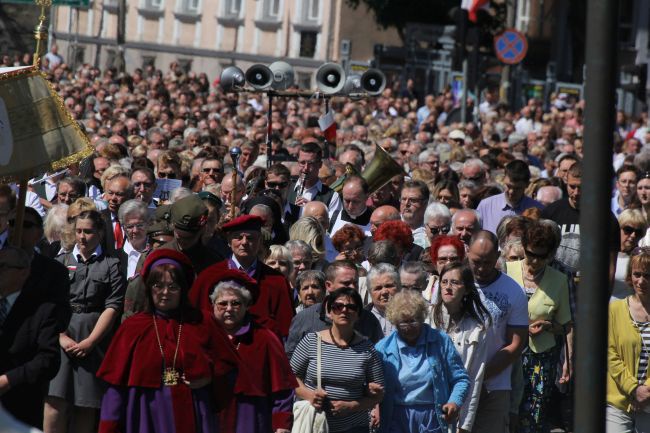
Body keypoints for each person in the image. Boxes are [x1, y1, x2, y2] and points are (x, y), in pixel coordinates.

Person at [96, 249, 242, 433]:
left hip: (195, 411)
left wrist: (209, 378)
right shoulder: (132, 328)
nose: (165, 293)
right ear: (149, 288)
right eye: (158, 285)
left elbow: (229, 369)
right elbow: (114, 387)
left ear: (183, 289)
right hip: (146, 414)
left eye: (173, 287)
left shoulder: (202, 321)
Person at [44, 210, 126, 433]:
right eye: (79, 231)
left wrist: (91, 341)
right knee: (54, 400)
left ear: (100, 232)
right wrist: (60, 336)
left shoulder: (111, 265)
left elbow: (113, 306)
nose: (82, 237)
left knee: (86, 403)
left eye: (88, 231)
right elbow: (50, 303)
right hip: (62, 332)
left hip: (93, 334)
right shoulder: (60, 261)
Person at [504, 220, 573, 433]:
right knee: (505, 414)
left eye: (541, 256)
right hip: (508, 353)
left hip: (541, 360)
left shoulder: (560, 280)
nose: (534, 260)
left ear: (551, 254)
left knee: (533, 420)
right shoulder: (507, 269)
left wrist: (567, 362)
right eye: (530, 253)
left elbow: (567, 325)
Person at [210, 271, 298, 433]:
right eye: (222, 304)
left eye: (236, 303)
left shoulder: (265, 338)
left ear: (246, 306)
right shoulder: (203, 336)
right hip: (212, 417)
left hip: (251, 417)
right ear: (213, 305)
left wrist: (281, 424)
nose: (229, 309)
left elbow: (282, 388)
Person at [290, 288, 385, 433]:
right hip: (314, 424)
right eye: (338, 306)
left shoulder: (367, 348)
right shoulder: (311, 341)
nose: (344, 311)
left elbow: (378, 394)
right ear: (330, 311)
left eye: (351, 307)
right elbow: (290, 377)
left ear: (358, 314)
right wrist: (309, 395)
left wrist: (352, 406)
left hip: (354, 427)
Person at [375, 289, 470, 433]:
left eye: (413, 321)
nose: (409, 327)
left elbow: (461, 379)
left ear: (422, 317)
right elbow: (375, 386)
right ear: (394, 322)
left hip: (432, 416)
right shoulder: (382, 348)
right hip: (395, 416)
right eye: (403, 323)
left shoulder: (441, 341)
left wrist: (454, 402)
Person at [191, 215, 295, 339]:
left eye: (250, 238)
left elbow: (287, 330)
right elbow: (195, 323)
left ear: (260, 241)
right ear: (229, 242)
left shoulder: (276, 281)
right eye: (238, 237)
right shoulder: (209, 277)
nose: (244, 242)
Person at [467, 230, 528, 433]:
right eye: (476, 262)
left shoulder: (512, 290)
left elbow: (517, 343)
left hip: (494, 384)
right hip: (456, 381)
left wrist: (482, 375)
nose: (482, 268)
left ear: (497, 256)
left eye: (487, 262)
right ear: (467, 252)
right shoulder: (455, 283)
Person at [0, 247, 62, 429]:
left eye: (3, 267)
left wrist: (8, 380)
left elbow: (47, 360)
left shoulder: (42, 311)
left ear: (23, 273)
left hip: (20, 405)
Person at [431, 263, 491, 433]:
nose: (448, 288)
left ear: (466, 289)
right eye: (444, 282)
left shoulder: (477, 329)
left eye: (455, 283)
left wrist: (465, 424)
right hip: (426, 408)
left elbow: (474, 378)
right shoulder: (426, 320)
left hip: (455, 408)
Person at [285, 260, 384, 358]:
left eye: (355, 283)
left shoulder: (368, 320)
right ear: (328, 286)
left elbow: (378, 357)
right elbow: (290, 358)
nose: (353, 288)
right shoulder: (305, 318)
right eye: (346, 283)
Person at [607, 248, 650, 432]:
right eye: (637, 274)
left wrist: (646, 390)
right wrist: (634, 388)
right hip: (619, 400)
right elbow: (610, 355)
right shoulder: (614, 309)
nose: (641, 281)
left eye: (647, 275)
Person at [476, 160, 543, 234]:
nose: (511, 192)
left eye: (517, 188)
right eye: (508, 186)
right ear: (503, 179)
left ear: (527, 184)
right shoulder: (486, 206)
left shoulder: (538, 209)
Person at [614, 210, 647, 300]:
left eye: (638, 232)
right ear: (618, 228)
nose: (633, 235)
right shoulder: (604, 253)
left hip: (626, 310)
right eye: (628, 230)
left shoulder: (640, 259)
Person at [423, 235, 466, 303]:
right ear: (435, 263)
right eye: (443, 259)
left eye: (453, 259)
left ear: (461, 261)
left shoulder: (469, 289)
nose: (448, 263)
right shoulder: (426, 289)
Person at [366, 263, 401, 336]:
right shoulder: (361, 319)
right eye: (378, 288)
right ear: (370, 292)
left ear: (399, 287)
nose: (384, 292)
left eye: (389, 286)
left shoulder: (412, 315)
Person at [400, 180, 430, 249]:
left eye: (413, 200)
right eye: (404, 199)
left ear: (425, 203)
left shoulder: (431, 229)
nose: (407, 204)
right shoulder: (390, 224)